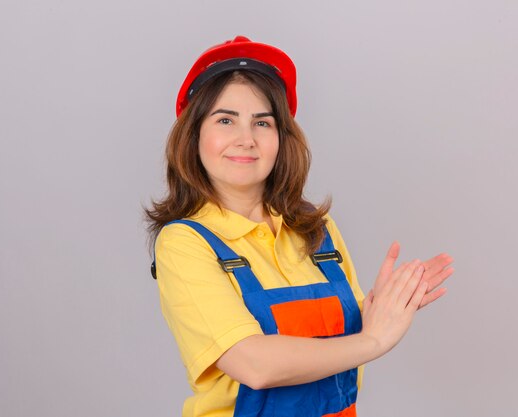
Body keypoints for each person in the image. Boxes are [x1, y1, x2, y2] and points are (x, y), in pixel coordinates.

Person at [145, 35, 454, 417]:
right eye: (225, 120)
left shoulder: (316, 230)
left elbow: (341, 349)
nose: (246, 139)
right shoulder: (184, 243)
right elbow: (254, 365)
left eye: (263, 122)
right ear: (193, 137)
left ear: (281, 139)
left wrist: (380, 310)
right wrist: (374, 339)